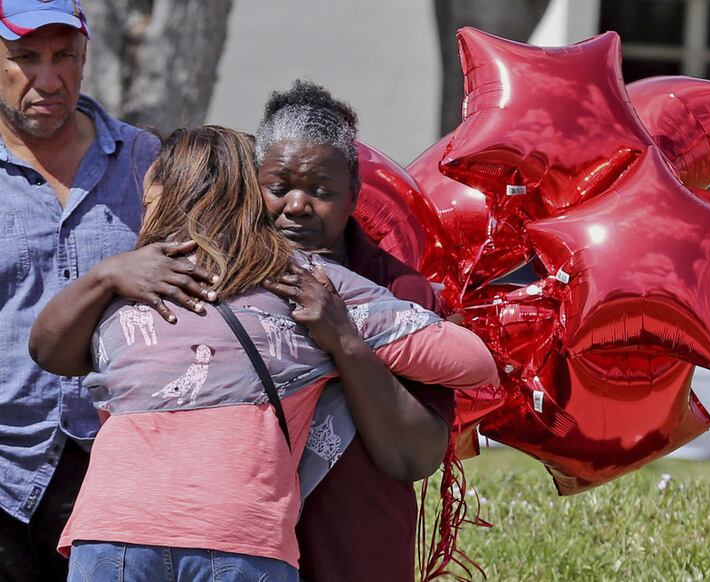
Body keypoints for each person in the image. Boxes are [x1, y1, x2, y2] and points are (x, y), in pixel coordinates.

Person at [29, 125, 499, 580]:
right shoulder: (309, 283)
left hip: (112, 532)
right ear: (254, 197)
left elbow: (48, 351)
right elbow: (473, 363)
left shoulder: (128, 287)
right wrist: (344, 335)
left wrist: (106, 275)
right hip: (240, 538)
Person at [254, 80, 461, 581]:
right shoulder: (220, 280)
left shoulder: (402, 291)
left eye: (321, 191)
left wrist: (344, 337)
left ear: (354, 196)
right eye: (279, 187)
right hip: (241, 550)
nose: (297, 206)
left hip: (357, 549)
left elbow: (415, 455)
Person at [0, 2, 179, 579]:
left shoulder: (144, 161)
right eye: (25, 58)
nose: (49, 80)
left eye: (65, 57)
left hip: (119, 467)